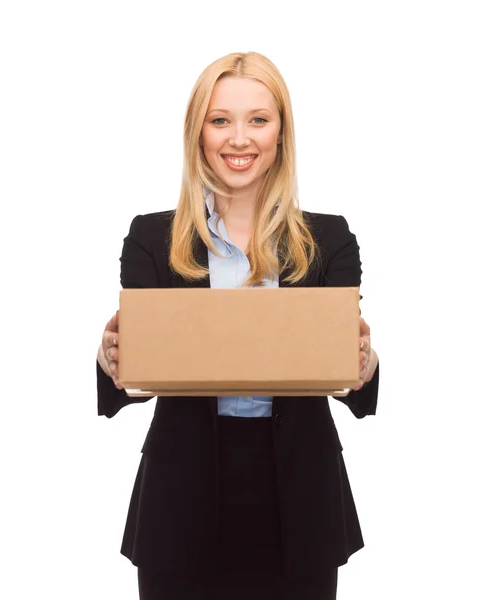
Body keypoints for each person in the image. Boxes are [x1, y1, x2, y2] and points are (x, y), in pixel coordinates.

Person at [96, 51, 380, 600]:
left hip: (299, 494)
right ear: (198, 132)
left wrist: (364, 364)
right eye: (220, 119)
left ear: (281, 133)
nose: (239, 139)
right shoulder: (151, 238)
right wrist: (111, 358)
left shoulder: (330, 238)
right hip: (181, 493)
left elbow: (345, 362)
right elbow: (134, 371)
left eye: (258, 119)